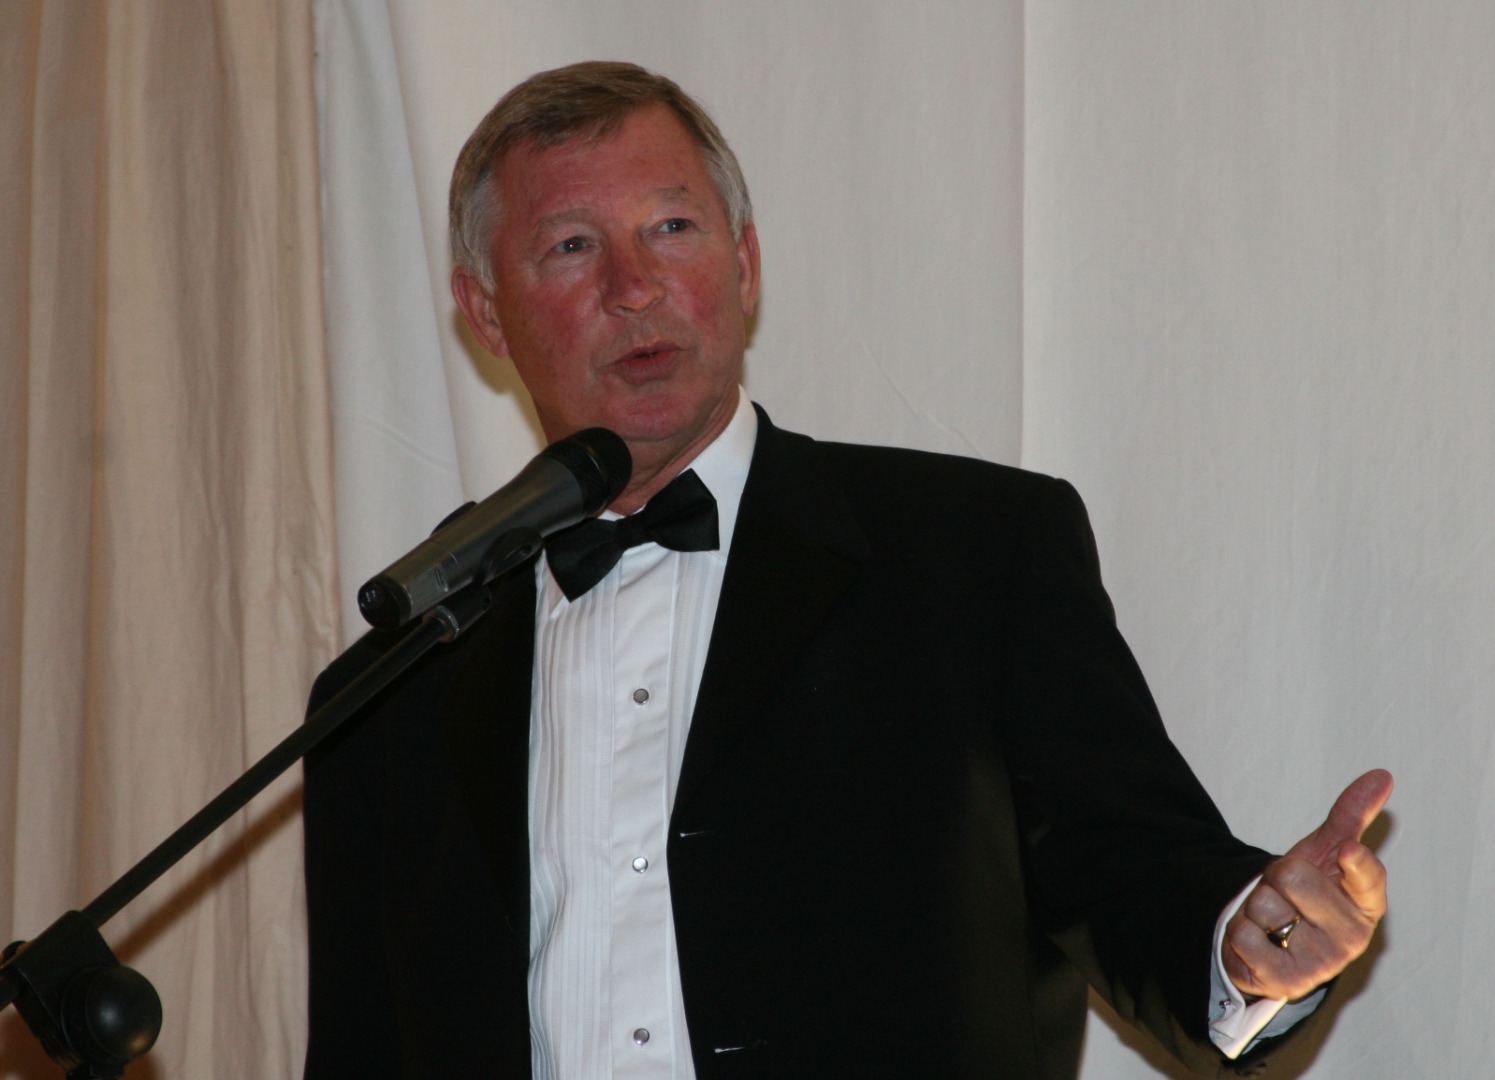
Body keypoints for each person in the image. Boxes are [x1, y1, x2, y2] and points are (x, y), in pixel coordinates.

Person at [302, 61, 1390, 1079]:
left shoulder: (973, 551)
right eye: (572, 246)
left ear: (744, 263)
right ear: (486, 311)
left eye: (672, 227)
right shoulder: (394, 685)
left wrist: (1244, 942)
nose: (635, 287)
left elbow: (1126, 864)